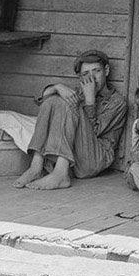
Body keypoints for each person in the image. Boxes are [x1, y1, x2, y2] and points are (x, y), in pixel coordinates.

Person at [14, 49, 127, 190]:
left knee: (68, 102)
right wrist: (57, 87)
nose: (91, 78)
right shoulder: (78, 93)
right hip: (75, 160)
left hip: (94, 160)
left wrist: (90, 101)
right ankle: (36, 166)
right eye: (86, 74)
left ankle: (60, 175)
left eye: (96, 71)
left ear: (107, 70)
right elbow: (40, 100)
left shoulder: (117, 102)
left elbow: (95, 132)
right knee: (52, 100)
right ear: (80, 78)